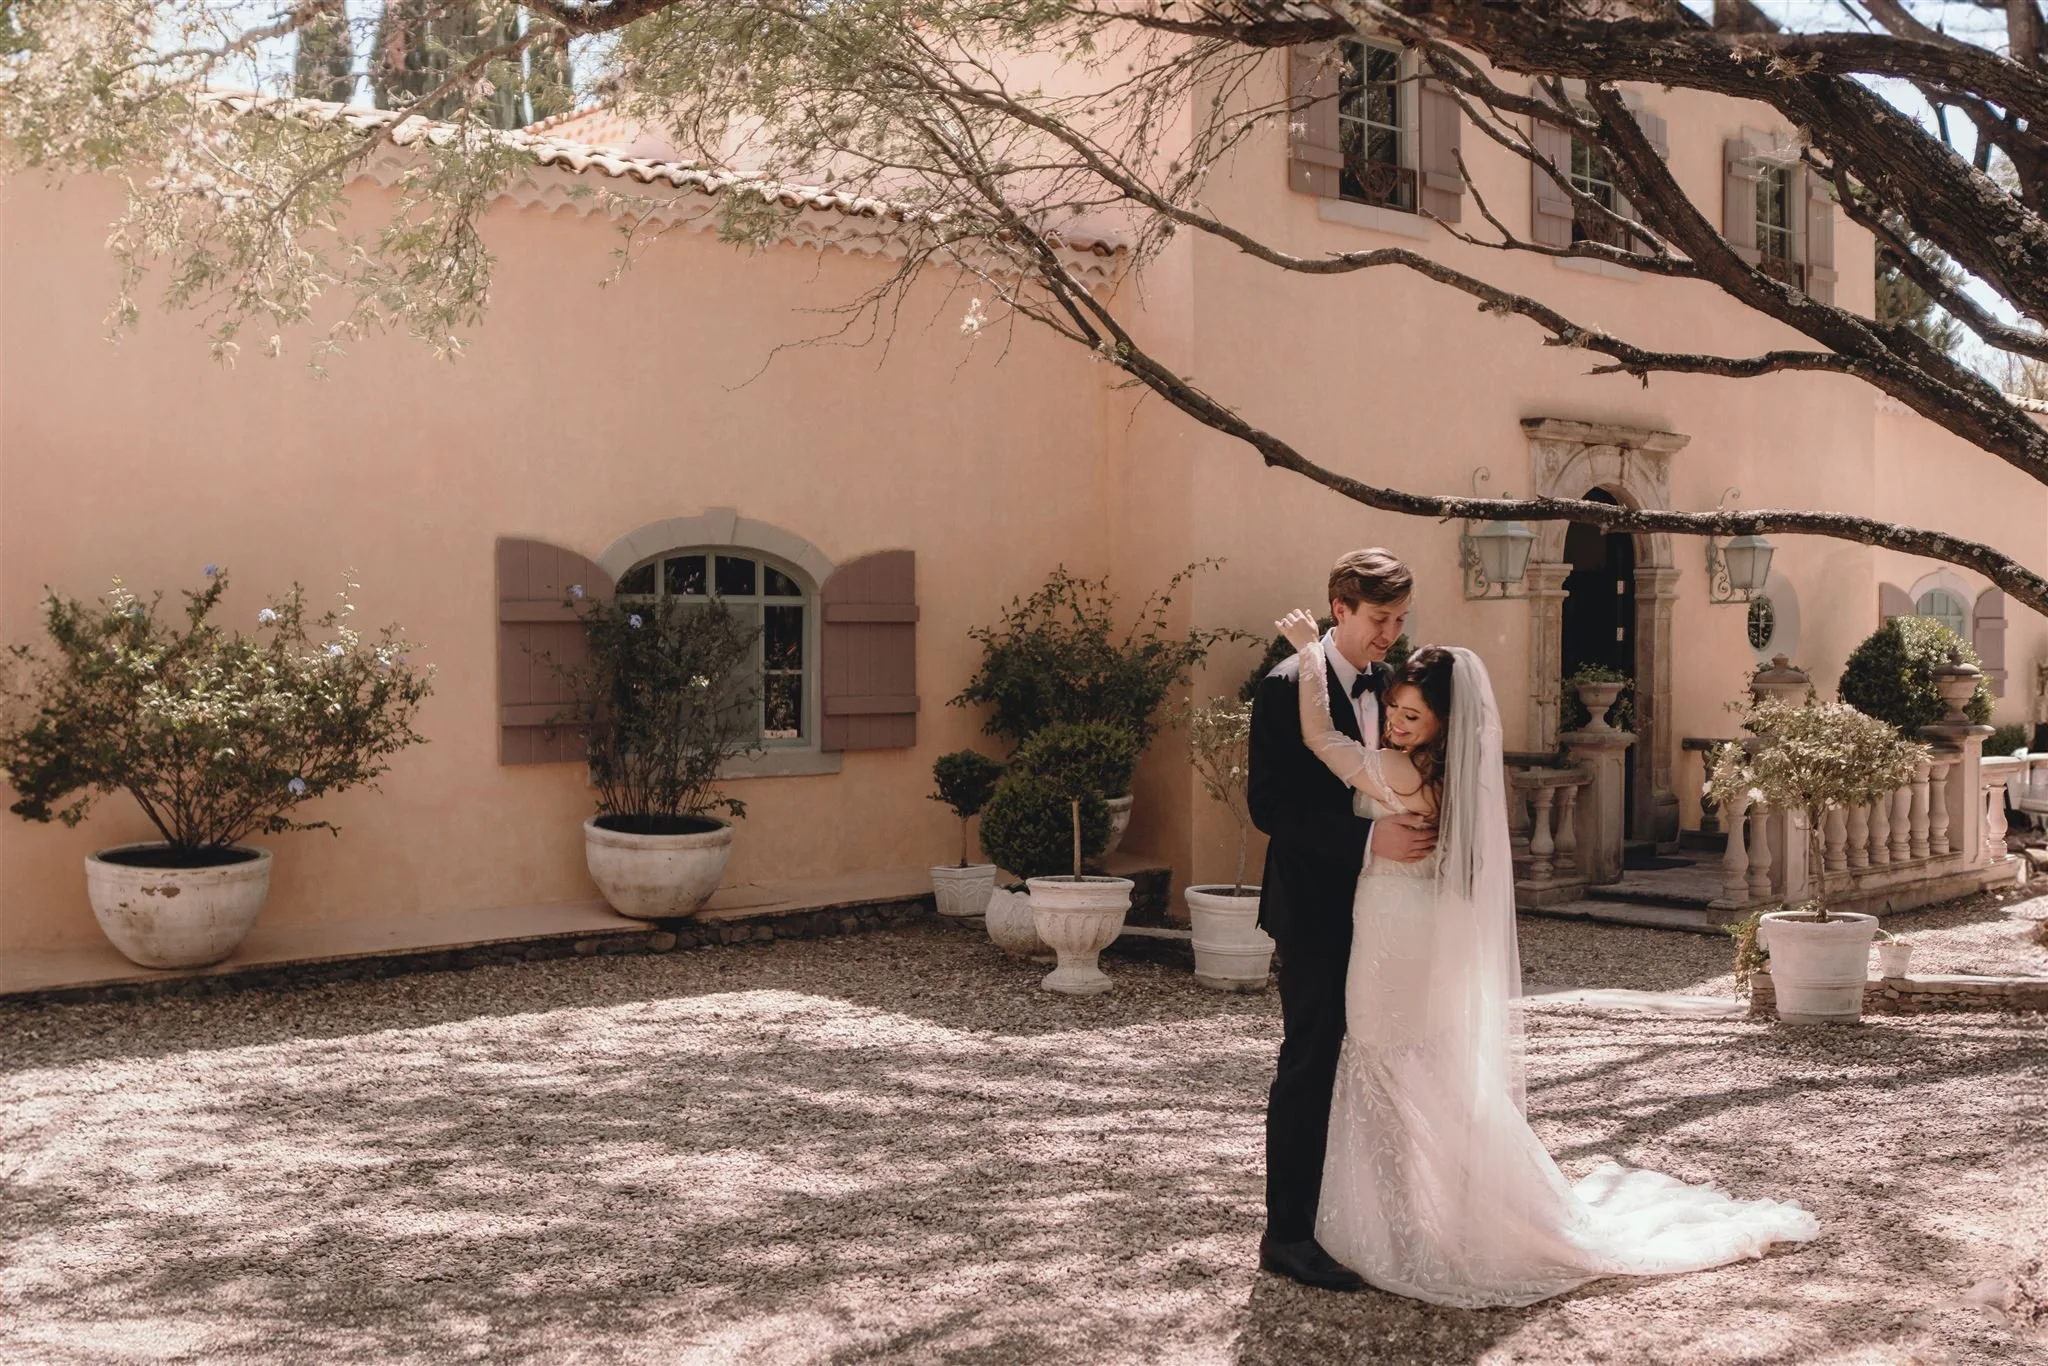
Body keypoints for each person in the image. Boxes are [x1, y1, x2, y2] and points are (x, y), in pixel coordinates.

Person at [1273, 611, 1821, 1307]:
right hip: (1418, 927)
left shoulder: (1394, 769)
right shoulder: (1455, 777)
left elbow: (1321, 736)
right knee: (1419, 1066)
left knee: (1383, 1058)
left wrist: (1309, 655)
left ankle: (1408, 1228)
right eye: (1394, 709)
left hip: (1390, 932)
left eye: (1412, 713)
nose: (1398, 720)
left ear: (1442, 721)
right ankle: (1434, 1216)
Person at [1247, 549, 1436, 1293]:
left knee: (1388, 1056)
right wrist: (1368, 841)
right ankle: (1288, 1233)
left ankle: (1364, 1217)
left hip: (1390, 909)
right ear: (1340, 609)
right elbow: (1271, 808)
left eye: (1399, 619)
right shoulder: (1285, 684)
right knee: (1312, 1059)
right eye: (1379, 619)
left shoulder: (1396, 684)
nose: (1391, 634)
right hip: (1315, 907)